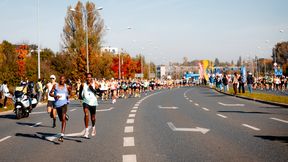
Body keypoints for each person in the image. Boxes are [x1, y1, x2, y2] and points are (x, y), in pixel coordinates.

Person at [49, 75, 71, 142]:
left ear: (65, 80)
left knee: (63, 119)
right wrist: (55, 96)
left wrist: (68, 96)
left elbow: (69, 93)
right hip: (57, 105)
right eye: (61, 79)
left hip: (64, 104)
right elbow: (50, 93)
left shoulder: (66, 86)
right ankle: (65, 116)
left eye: (63, 79)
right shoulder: (55, 86)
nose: (62, 80)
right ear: (59, 79)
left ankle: (62, 135)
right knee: (61, 119)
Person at [79, 73, 99, 138]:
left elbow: (97, 92)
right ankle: (86, 130)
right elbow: (80, 93)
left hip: (93, 102)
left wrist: (91, 88)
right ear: (86, 78)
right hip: (86, 101)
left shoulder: (94, 84)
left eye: (90, 77)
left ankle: (93, 127)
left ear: (91, 78)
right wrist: (81, 98)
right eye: (87, 77)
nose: (88, 78)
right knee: (86, 114)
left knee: (93, 117)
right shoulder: (83, 84)